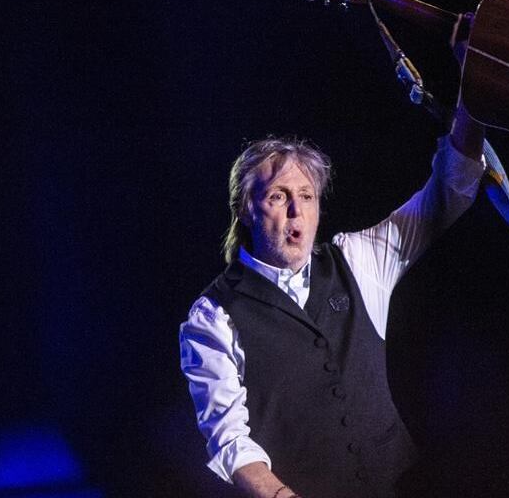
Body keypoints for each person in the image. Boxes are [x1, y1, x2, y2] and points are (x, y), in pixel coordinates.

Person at [179, 103, 485, 498]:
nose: (296, 211)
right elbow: (230, 441)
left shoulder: (357, 260)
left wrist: (476, 100)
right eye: (278, 196)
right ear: (246, 209)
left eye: (307, 196)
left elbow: (448, 190)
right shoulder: (213, 316)